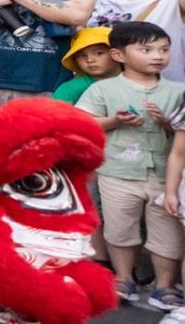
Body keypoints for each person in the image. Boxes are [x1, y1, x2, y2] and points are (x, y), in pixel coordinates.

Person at [79, 23, 185, 309]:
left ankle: (164, 286)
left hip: (166, 175)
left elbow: (182, 135)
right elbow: (84, 122)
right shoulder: (104, 88)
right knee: (119, 227)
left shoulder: (178, 90)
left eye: (164, 49)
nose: (158, 56)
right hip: (117, 171)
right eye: (146, 49)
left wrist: (166, 123)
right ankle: (124, 277)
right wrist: (115, 121)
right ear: (118, 54)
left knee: (167, 231)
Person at [53, 26, 117, 104]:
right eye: (82, 55)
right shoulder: (71, 88)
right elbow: (55, 113)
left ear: (117, 54)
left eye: (98, 53)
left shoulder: (132, 80)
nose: (89, 60)